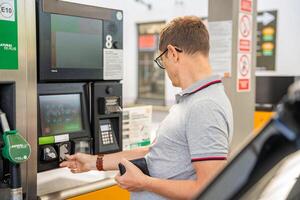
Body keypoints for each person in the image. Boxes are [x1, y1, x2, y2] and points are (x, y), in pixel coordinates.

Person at [60, 16, 233, 200]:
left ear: (173, 53)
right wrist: (93, 162)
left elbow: (209, 188)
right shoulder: (193, 100)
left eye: (162, 60)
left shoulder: (204, 106)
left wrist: (143, 182)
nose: (164, 69)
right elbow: (154, 152)